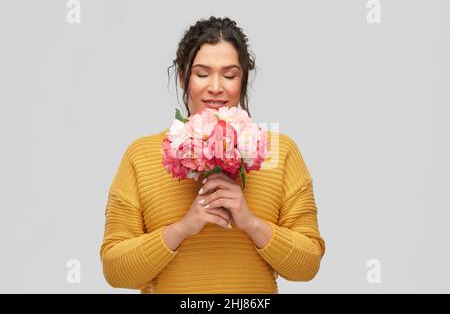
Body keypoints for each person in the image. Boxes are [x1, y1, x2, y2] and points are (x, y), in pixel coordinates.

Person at [100, 16, 325, 294]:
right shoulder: (142, 155)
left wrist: (251, 222)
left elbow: (308, 265)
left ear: (243, 81)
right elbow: (114, 270)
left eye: (229, 75)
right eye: (202, 74)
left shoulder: (279, 151)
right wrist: (182, 228)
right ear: (183, 78)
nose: (216, 87)